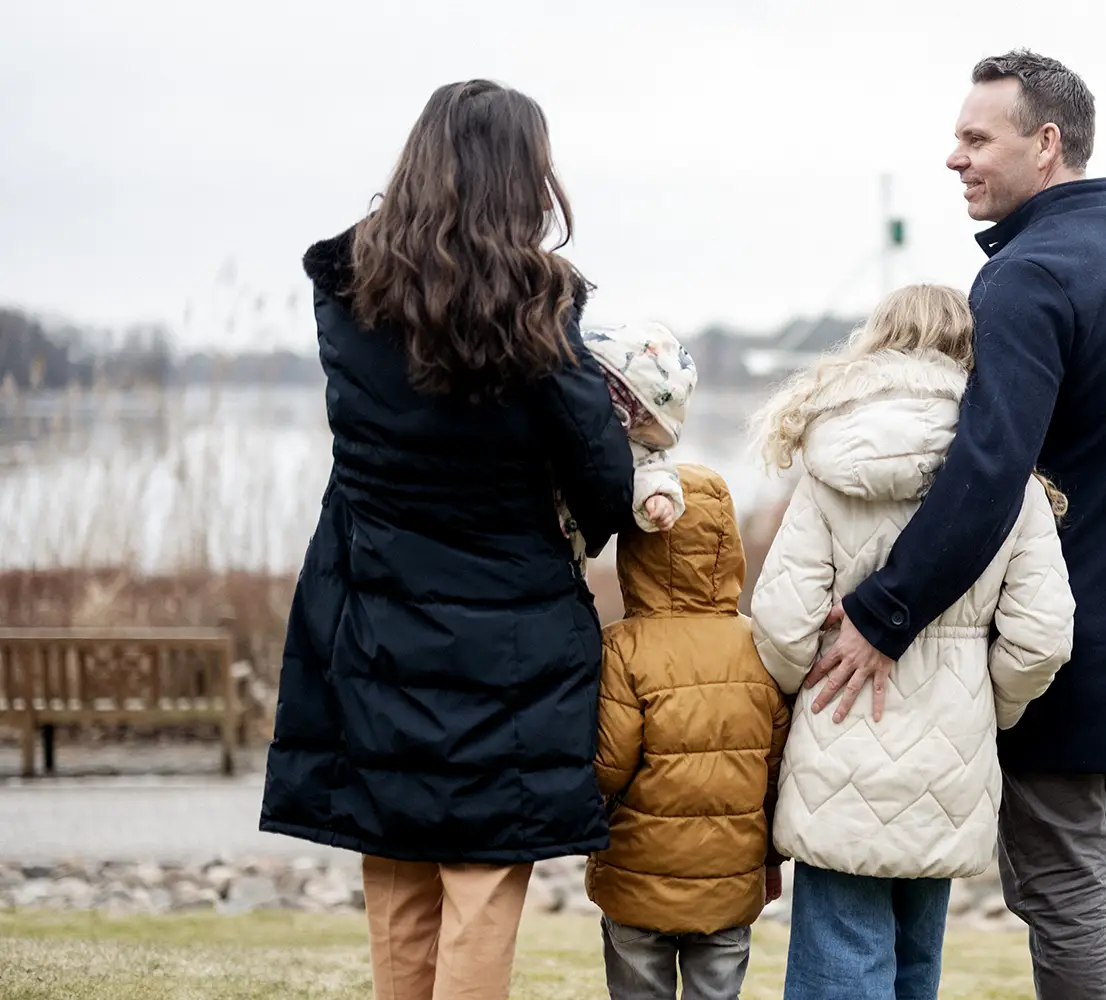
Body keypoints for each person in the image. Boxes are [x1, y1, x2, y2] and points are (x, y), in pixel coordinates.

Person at [805, 52, 1106, 1000]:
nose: (954, 157)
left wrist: (884, 612)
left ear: (1045, 144)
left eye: (975, 138)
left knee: (1065, 891)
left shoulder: (1027, 276)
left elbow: (987, 472)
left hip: (1056, 643)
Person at [258, 80, 635, 1000]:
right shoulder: (538, 310)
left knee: (397, 878)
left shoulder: (350, 297)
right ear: (522, 178)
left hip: (375, 629)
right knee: (480, 890)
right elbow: (606, 485)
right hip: (509, 646)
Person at [749, 284, 1075, 1000]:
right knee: (914, 967)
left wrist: (808, 677)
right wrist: (988, 702)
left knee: (839, 960)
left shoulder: (829, 466)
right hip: (952, 754)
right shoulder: (1006, 478)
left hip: (837, 732)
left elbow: (781, 621)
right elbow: (1043, 637)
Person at [588, 463, 790, 1000]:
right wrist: (770, 859)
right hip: (730, 876)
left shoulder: (623, 647)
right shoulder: (758, 645)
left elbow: (607, 768)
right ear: (727, 547)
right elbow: (775, 771)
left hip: (637, 871)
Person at [558, 321, 698, 568]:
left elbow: (651, 464)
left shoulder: (625, 437)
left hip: (565, 555)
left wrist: (658, 496)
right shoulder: (555, 392)